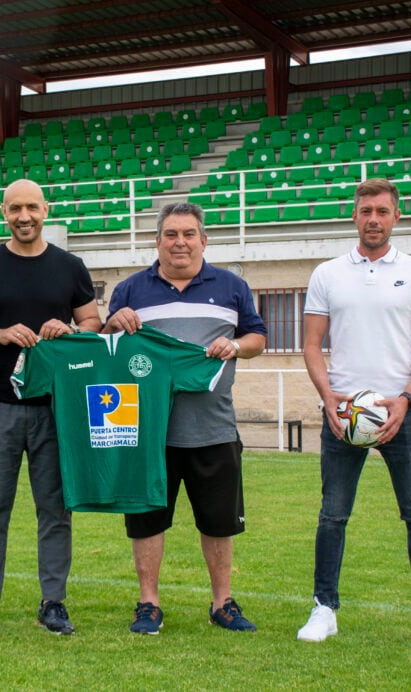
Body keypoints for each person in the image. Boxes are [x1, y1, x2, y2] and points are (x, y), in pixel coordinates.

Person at [297, 178, 411, 649]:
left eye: (382, 211)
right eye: (366, 210)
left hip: (402, 414)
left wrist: (405, 397)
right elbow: (311, 344)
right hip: (344, 415)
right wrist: (328, 398)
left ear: (396, 216)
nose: (373, 218)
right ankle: (324, 608)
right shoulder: (328, 273)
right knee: (332, 515)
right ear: (354, 215)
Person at [103, 201, 266, 635]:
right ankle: (148, 604)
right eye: (171, 234)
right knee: (147, 520)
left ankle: (222, 603)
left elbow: (257, 336)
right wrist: (111, 322)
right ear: (157, 242)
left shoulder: (231, 285)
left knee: (218, 521)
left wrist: (237, 347)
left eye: (188, 234)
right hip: (145, 430)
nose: (180, 242)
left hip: (213, 427)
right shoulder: (131, 289)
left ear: (203, 240)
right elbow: (107, 349)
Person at [0, 178, 102, 635]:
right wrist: (0, 334)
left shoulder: (70, 265)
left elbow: (93, 322)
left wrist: (71, 330)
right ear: (4, 212)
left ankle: (53, 602)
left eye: (32, 208)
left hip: (57, 409)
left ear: (45, 210)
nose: (24, 216)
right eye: (15, 208)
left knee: (55, 510)